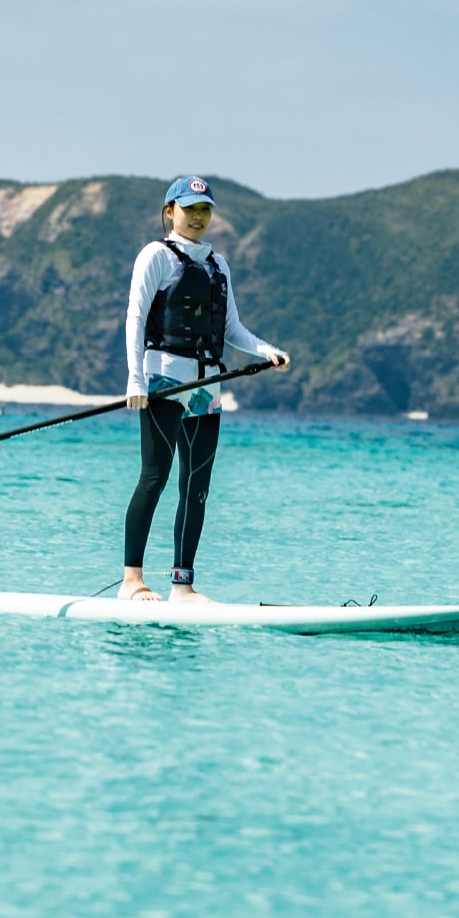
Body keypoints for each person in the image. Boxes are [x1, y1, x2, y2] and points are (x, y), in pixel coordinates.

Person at [119, 176, 290, 602]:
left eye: (205, 210)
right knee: (154, 477)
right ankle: (131, 581)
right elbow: (135, 317)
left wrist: (266, 350)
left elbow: (231, 328)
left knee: (196, 485)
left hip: (207, 384)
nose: (197, 217)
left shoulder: (218, 264)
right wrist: (135, 378)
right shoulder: (156, 256)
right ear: (170, 211)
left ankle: (183, 585)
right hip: (162, 379)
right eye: (189, 208)